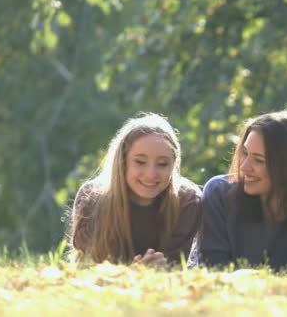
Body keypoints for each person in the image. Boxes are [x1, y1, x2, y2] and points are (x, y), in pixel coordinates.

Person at [195, 110, 287, 273]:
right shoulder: (219, 193)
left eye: (259, 160)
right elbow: (213, 272)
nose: (244, 167)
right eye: (245, 153)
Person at [70, 112, 202, 267]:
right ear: (123, 161)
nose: (151, 174)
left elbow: (177, 266)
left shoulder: (188, 200)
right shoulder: (91, 197)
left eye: (162, 164)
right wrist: (134, 273)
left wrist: (160, 269)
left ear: (174, 164)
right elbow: (85, 269)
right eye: (140, 162)